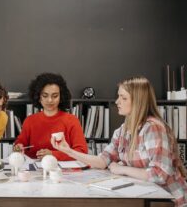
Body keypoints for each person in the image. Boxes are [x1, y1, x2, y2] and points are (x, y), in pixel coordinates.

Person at [51, 76, 187, 206]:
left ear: (138, 101)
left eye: (123, 98)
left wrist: (122, 169)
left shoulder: (153, 128)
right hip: (144, 195)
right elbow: (102, 161)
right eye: (118, 96)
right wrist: (67, 150)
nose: (117, 102)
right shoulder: (123, 130)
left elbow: (159, 175)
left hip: (169, 200)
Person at [14, 73, 87, 160]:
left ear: (61, 97)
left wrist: (53, 154)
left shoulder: (72, 120)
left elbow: (82, 151)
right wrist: (18, 146)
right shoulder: (30, 120)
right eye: (45, 96)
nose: (50, 100)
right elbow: (21, 143)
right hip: (35, 170)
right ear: (38, 97)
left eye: (55, 96)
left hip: (62, 171)